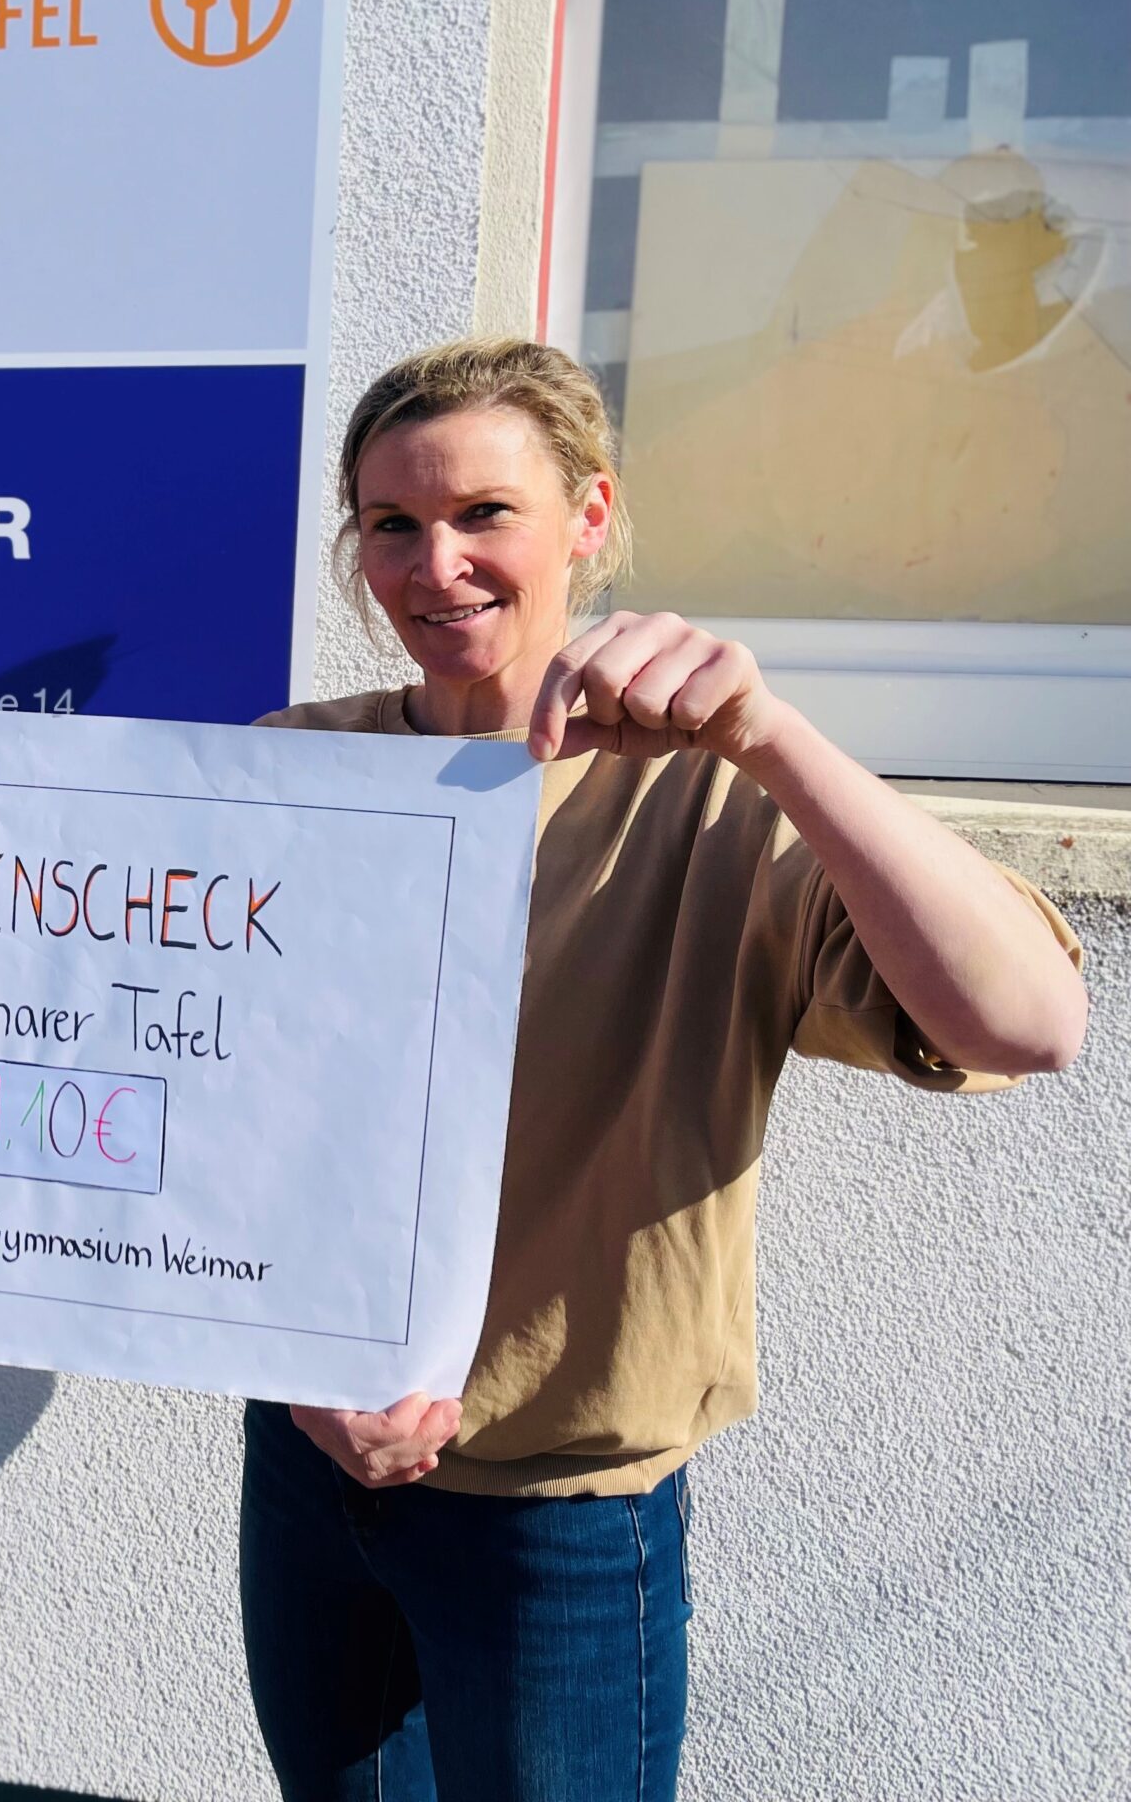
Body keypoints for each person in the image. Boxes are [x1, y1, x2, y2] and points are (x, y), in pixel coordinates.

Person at [239, 338, 1086, 1801]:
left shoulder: (712, 805)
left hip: (559, 1520)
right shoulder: (290, 769)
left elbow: (1026, 1024)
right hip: (310, 1468)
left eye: (483, 513)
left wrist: (776, 738)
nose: (435, 564)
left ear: (588, 515)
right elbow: (192, 1095)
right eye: (392, 524)